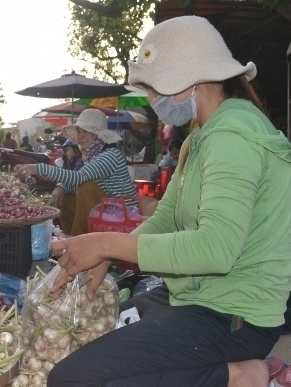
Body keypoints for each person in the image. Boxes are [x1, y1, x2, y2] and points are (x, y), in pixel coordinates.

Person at [47, 16, 291, 387]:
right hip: (197, 297)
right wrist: (112, 255)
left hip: (234, 315)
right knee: (88, 333)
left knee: (72, 380)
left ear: (189, 80)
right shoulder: (202, 137)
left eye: (153, 89)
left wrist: (103, 242)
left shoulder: (234, 138)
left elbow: (216, 249)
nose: (151, 100)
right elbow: (166, 218)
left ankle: (244, 375)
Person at [16, 109, 137, 236]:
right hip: (107, 209)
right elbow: (74, 180)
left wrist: (39, 168)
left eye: (85, 131)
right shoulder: (92, 155)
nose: (80, 135)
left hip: (122, 214)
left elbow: (79, 177)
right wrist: (60, 188)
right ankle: (70, 236)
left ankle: (76, 242)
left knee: (86, 186)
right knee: (64, 198)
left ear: (98, 134)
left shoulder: (111, 155)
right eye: (79, 131)